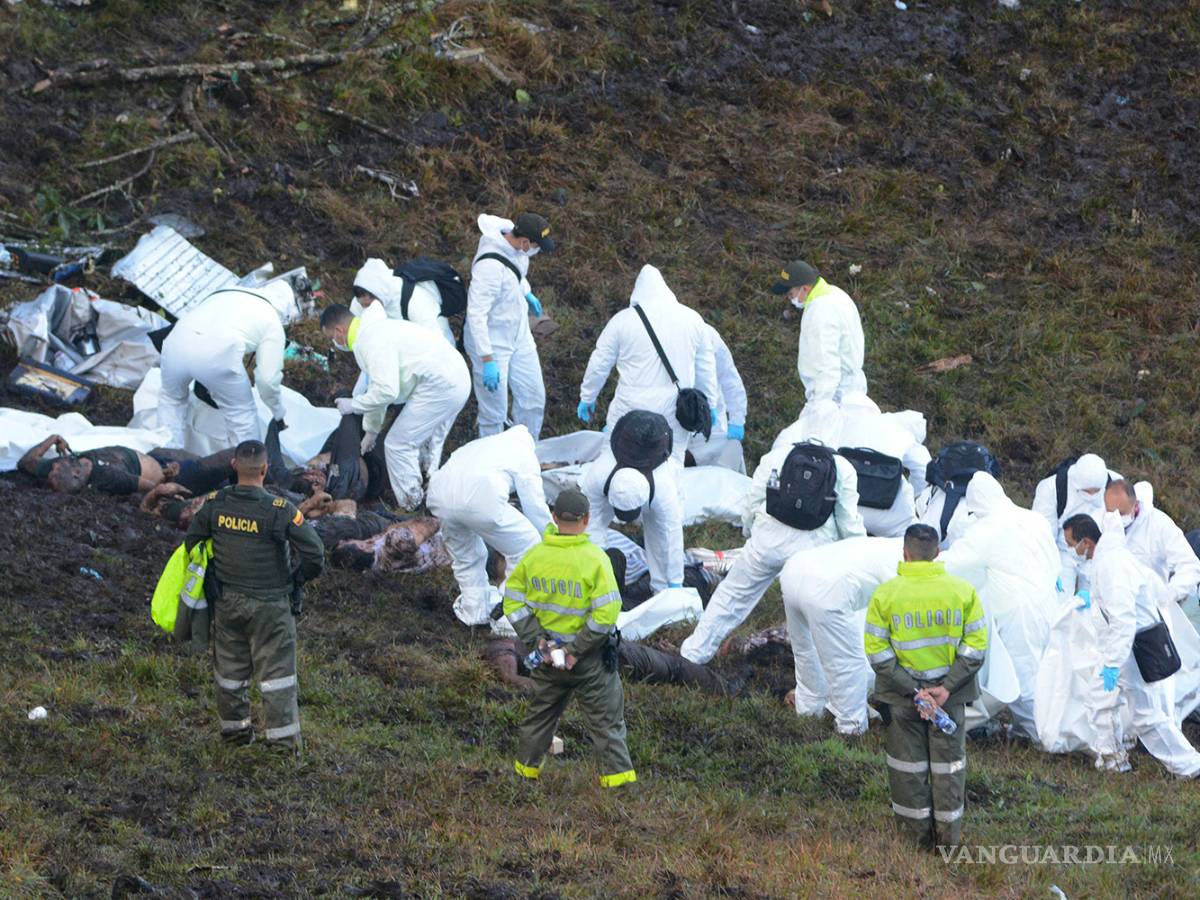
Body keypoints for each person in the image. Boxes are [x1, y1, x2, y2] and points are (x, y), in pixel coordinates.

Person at [185, 440, 325, 752]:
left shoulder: (215, 505)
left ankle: (234, 736)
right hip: (271, 606)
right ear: (265, 469)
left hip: (228, 602)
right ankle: (283, 746)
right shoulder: (280, 510)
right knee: (277, 678)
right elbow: (315, 553)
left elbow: (192, 543)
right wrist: (297, 579)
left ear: (233, 465)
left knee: (230, 675)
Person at [680, 441, 866, 664]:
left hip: (767, 541)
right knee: (810, 615)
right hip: (812, 552)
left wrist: (750, 531)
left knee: (731, 596)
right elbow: (848, 521)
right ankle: (809, 677)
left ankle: (693, 655)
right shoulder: (843, 468)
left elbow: (753, 499)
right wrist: (857, 554)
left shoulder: (777, 454)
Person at [864, 524, 988, 848]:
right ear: (937, 554)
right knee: (949, 769)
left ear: (904, 554)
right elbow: (976, 647)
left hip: (902, 699)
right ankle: (948, 843)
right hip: (949, 699)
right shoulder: (962, 591)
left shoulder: (885, 595)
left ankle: (914, 843)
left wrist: (913, 691)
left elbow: (877, 653)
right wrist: (945, 688)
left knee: (908, 769)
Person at [503, 489, 635, 788]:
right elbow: (607, 613)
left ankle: (524, 779)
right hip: (589, 663)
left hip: (547, 657)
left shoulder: (534, 557)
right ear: (587, 519)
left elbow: (512, 602)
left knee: (537, 721)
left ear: (554, 517)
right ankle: (619, 788)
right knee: (606, 725)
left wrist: (538, 641)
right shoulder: (596, 560)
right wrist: (576, 650)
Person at [1063, 513, 1200, 777]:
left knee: (1147, 717)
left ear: (1086, 542)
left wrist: (1112, 664)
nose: (1071, 551)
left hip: (1130, 651)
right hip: (1125, 649)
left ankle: (1189, 765)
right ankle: (1112, 758)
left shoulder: (1111, 565)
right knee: (1102, 703)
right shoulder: (1110, 560)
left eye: (1072, 544)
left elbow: (1123, 618)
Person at [939, 472, 1059, 741]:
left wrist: (919, 563)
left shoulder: (989, 527)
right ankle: (1035, 728)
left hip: (1018, 612)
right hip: (1049, 603)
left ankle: (1038, 737)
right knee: (1044, 673)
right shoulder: (1035, 519)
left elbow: (952, 563)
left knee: (1022, 676)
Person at [320, 303, 470, 509]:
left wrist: (354, 405)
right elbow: (379, 388)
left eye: (331, 338)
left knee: (398, 444)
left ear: (339, 330)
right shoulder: (374, 331)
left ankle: (412, 505)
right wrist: (371, 432)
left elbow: (386, 391)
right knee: (425, 443)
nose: (333, 343)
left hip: (441, 384)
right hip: (454, 376)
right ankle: (433, 498)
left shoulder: (368, 341)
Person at [578, 264, 719, 465]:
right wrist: (710, 403)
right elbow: (706, 367)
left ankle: (614, 492)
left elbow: (599, 363)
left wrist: (588, 396)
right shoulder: (693, 320)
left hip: (629, 406)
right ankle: (665, 494)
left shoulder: (622, 321)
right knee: (671, 463)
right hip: (673, 410)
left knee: (615, 458)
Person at [426, 426, 552, 627]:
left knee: (466, 555)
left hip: (439, 497)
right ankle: (508, 616)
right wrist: (554, 537)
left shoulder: (479, 445)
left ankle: (473, 611)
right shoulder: (523, 452)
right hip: (481, 498)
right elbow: (534, 505)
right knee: (528, 544)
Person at [780, 536, 903, 735]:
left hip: (793, 571)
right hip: (829, 588)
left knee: (806, 653)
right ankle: (851, 730)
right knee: (848, 663)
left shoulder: (885, 544)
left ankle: (808, 714)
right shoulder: (905, 565)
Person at [159, 281, 299, 448]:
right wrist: (278, 412)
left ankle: (165, 463)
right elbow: (267, 380)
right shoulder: (272, 321)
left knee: (171, 400)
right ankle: (247, 470)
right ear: (286, 312)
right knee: (241, 415)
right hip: (217, 354)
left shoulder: (227, 290)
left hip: (175, 342)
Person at [464, 212, 553, 439]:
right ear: (524, 241)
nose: (536, 251)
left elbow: (516, 273)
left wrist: (527, 293)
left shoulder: (515, 249)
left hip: (519, 334)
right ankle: (491, 463)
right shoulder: (489, 269)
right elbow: (476, 314)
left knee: (533, 398)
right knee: (494, 412)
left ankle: (526, 451)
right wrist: (487, 359)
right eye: (536, 246)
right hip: (493, 343)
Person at [579, 411, 685, 593]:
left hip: (656, 470)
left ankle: (660, 588)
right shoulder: (599, 476)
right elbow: (590, 523)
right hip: (624, 441)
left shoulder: (663, 488)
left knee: (658, 534)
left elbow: (670, 537)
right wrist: (598, 560)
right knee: (591, 531)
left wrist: (675, 581)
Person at [771, 260, 865, 425]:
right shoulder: (836, 294)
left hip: (835, 400)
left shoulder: (820, 312)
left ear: (805, 288)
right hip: (851, 391)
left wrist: (819, 407)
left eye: (791, 294)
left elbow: (826, 366)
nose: (790, 299)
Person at [1031, 453, 1121, 592]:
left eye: (1096, 491)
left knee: (1096, 603)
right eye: (1086, 491)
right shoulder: (1052, 488)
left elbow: (1121, 528)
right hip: (1064, 551)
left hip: (1097, 553)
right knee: (1060, 601)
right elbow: (1043, 534)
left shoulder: (1116, 486)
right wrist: (1048, 567)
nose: (1091, 496)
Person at [1105, 479, 1200, 607]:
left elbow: (1190, 566)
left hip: (1150, 607)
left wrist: (1169, 594)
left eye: (1122, 513)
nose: (1117, 517)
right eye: (1112, 512)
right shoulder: (1106, 519)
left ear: (1135, 504)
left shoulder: (1160, 525)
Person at [350, 257, 455, 344]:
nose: (369, 308)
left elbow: (438, 342)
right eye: (365, 305)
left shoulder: (415, 301)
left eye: (371, 304)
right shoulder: (359, 302)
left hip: (433, 343)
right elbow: (349, 335)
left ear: (381, 294)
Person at [19, 434, 166, 495]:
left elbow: (154, 487)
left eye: (56, 472)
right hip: (125, 456)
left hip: (154, 467)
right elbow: (26, 462)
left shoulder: (107, 475)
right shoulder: (62, 466)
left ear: (75, 473)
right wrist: (54, 438)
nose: (53, 471)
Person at [689, 322, 747, 471]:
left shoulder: (708, 335)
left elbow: (729, 379)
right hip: (683, 431)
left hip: (715, 432)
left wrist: (737, 420)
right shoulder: (666, 337)